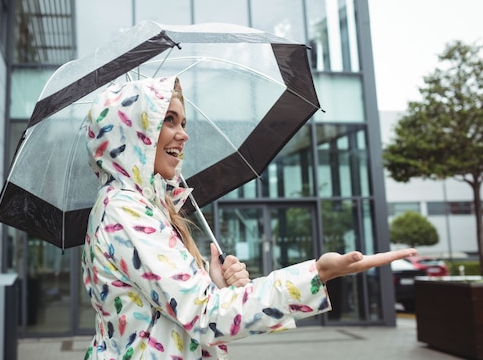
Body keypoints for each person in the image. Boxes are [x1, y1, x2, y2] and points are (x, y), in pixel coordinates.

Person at [82, 76, 415, 360]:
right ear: (132, 131)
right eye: (168, 120)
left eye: (183, 122)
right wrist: (318, 273)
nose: (182, 134)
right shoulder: (125, 208)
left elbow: (179, 309)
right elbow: (205, 314)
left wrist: (212, 284)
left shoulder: (145, 204)